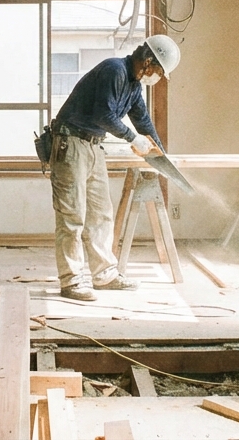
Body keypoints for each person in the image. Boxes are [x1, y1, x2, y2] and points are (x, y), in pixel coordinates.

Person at [46, 34, 181, 301]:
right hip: (70, 142)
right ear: (147, 60)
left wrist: (161, 155)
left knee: (100, 214)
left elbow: (142, 121)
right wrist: (133, 139)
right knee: (72, 216)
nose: (156, 76)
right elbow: (102, 114)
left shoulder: (133, 86)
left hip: (94, 145)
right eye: (157, 70)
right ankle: (71, 281)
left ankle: (104, 275)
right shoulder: (113, 70)